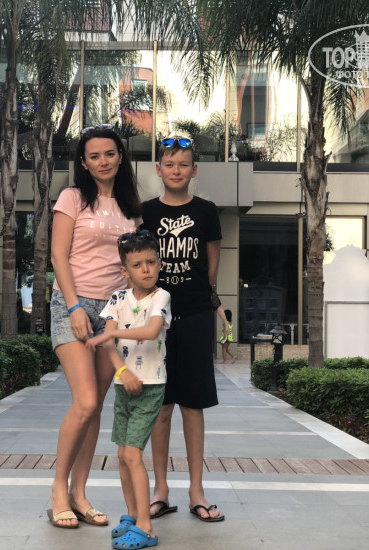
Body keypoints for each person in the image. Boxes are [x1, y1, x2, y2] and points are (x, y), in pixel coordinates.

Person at [47, 124, 143, 529]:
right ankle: (58, 488)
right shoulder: (72, 198)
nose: (103, 161)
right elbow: (58, 255)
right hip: (73, 305)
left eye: (110, 154)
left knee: (96, 406)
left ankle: (79, 493)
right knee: (85, 401)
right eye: (94, 156)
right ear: (83, 163)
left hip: (113, 312)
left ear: (120, 157)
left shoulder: (131, 207)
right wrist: (73, 306)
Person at [141, 136, 228, 522]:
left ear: (194, 170)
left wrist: (207, 302)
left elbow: (211, 268)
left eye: (183, 164)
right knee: (160, 407)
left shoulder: (206, 211)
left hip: (194, 316)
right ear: (158, 169)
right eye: (169, 164)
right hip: (154, 320)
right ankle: (160, 490)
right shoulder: (145, 212)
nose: (176, 170)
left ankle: (196, 491)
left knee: (193, 406)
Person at [85, 230, 171, 549]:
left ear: (159, 263)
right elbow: (109, 345)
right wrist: (122, 371)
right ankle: (133, 516)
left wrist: (111, 334)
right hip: (125, 385)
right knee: (122, 454)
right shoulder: (117, 300)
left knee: (133, 453)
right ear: (125, 270)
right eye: (137, 265)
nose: (146, 269)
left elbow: (151, 330)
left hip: (150, 385)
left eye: (151, 262)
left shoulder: (160, 297)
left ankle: (146, 527)